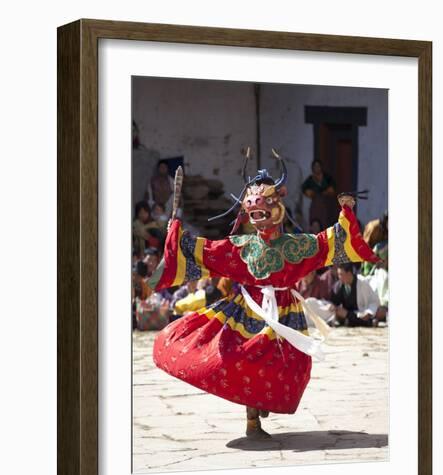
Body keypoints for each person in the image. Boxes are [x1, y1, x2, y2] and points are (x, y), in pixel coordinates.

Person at [148, 151, 380, 440]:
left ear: (278, 206)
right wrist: (176, 236)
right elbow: (204, 253)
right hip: (249, 310)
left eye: (266, 203)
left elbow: (330, 243)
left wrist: (346, 212)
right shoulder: (241, 246)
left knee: (290, 366)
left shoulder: (297, 246)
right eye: (253, 205)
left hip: (285, 314)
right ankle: (253, 420)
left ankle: (261, 403)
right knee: (245, 358)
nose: (258, 210)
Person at [302, 159, 338, 229]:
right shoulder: (310, 179)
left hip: (326, 205)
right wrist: (310, 193)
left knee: (326, 222)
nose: (317, 168)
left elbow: (333, 188)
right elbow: (304, 188)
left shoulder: (327, 177)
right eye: (315, 167)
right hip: (315, 204)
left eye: (318, 166)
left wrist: (327, 192)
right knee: (315, 223)